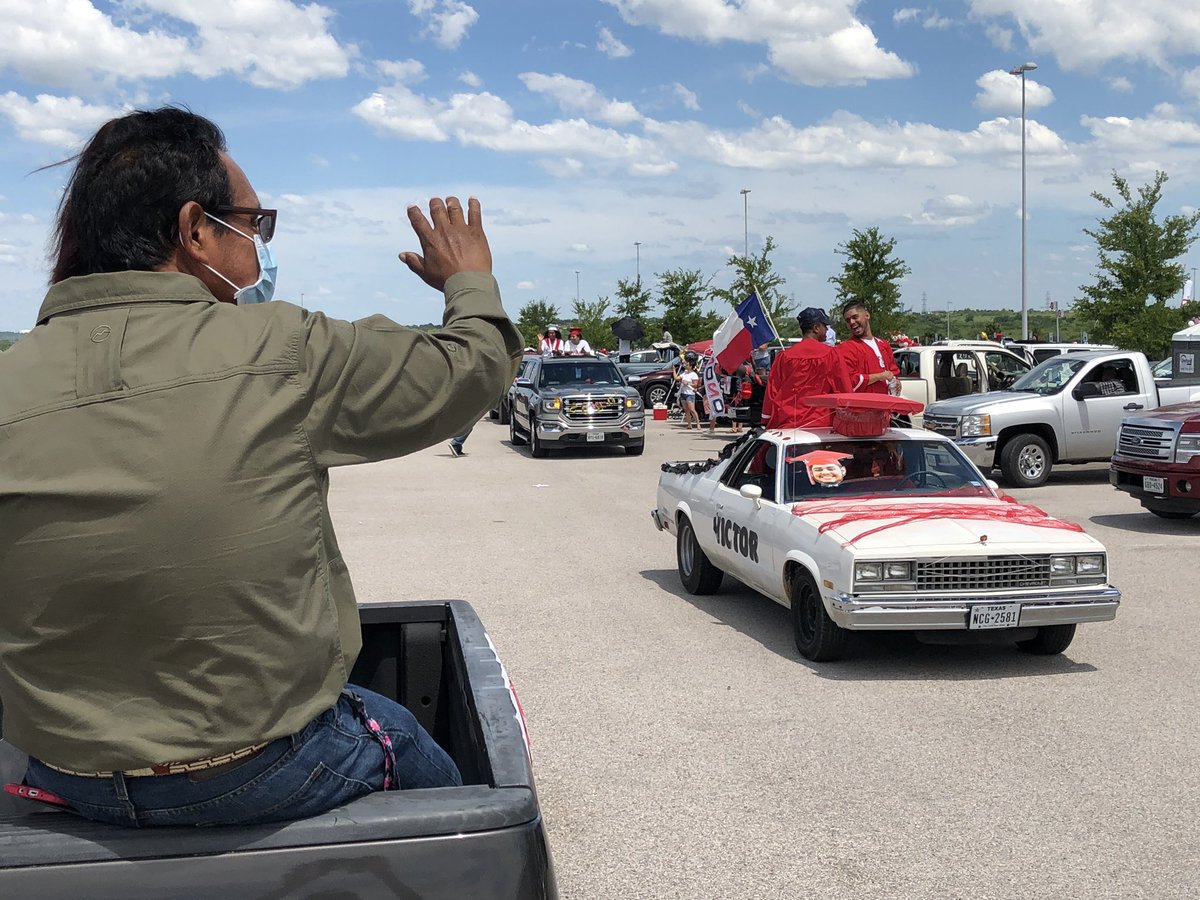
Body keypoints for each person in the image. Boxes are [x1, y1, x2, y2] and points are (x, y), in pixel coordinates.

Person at [0, 107, 524, 828]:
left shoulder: (10, 378)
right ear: (194, 230)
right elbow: (473, 366)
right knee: (422, 761)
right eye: (255, 224)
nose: (260, 245)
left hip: (61, 774)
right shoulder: (282, 350)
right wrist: (468, 281)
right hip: (258, 769)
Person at [762, 307, 853, 429]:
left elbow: (772, 391)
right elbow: (843, 389)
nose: (827, 329)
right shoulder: (832, 354)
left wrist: (766, 419)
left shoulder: (784, 356)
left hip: (789, 424)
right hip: (821, 425)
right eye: (824, 326)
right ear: (816, 328)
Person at [837, 301, 900, 396]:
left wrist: (896, 383)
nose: (852, 322)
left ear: (867, 315)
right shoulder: (846, 348)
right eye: (848, 320)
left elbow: (893, 373)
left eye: (855, 317)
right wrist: (880, 376)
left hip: (885, 405)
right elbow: (849, 381)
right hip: (863, 407)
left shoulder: (883, 345)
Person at [675, 357, 702, 429]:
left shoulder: (694, 374)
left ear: (691, 366)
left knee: (692, 410)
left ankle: (698, 424)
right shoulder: (685, 373)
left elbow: (695, 384)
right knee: (686, 410)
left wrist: (688, 383)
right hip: (683, 393)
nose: (686, 366)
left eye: (687, 365)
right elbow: (676, 378)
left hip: (690, 393)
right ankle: (689, 425)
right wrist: (674, 370)